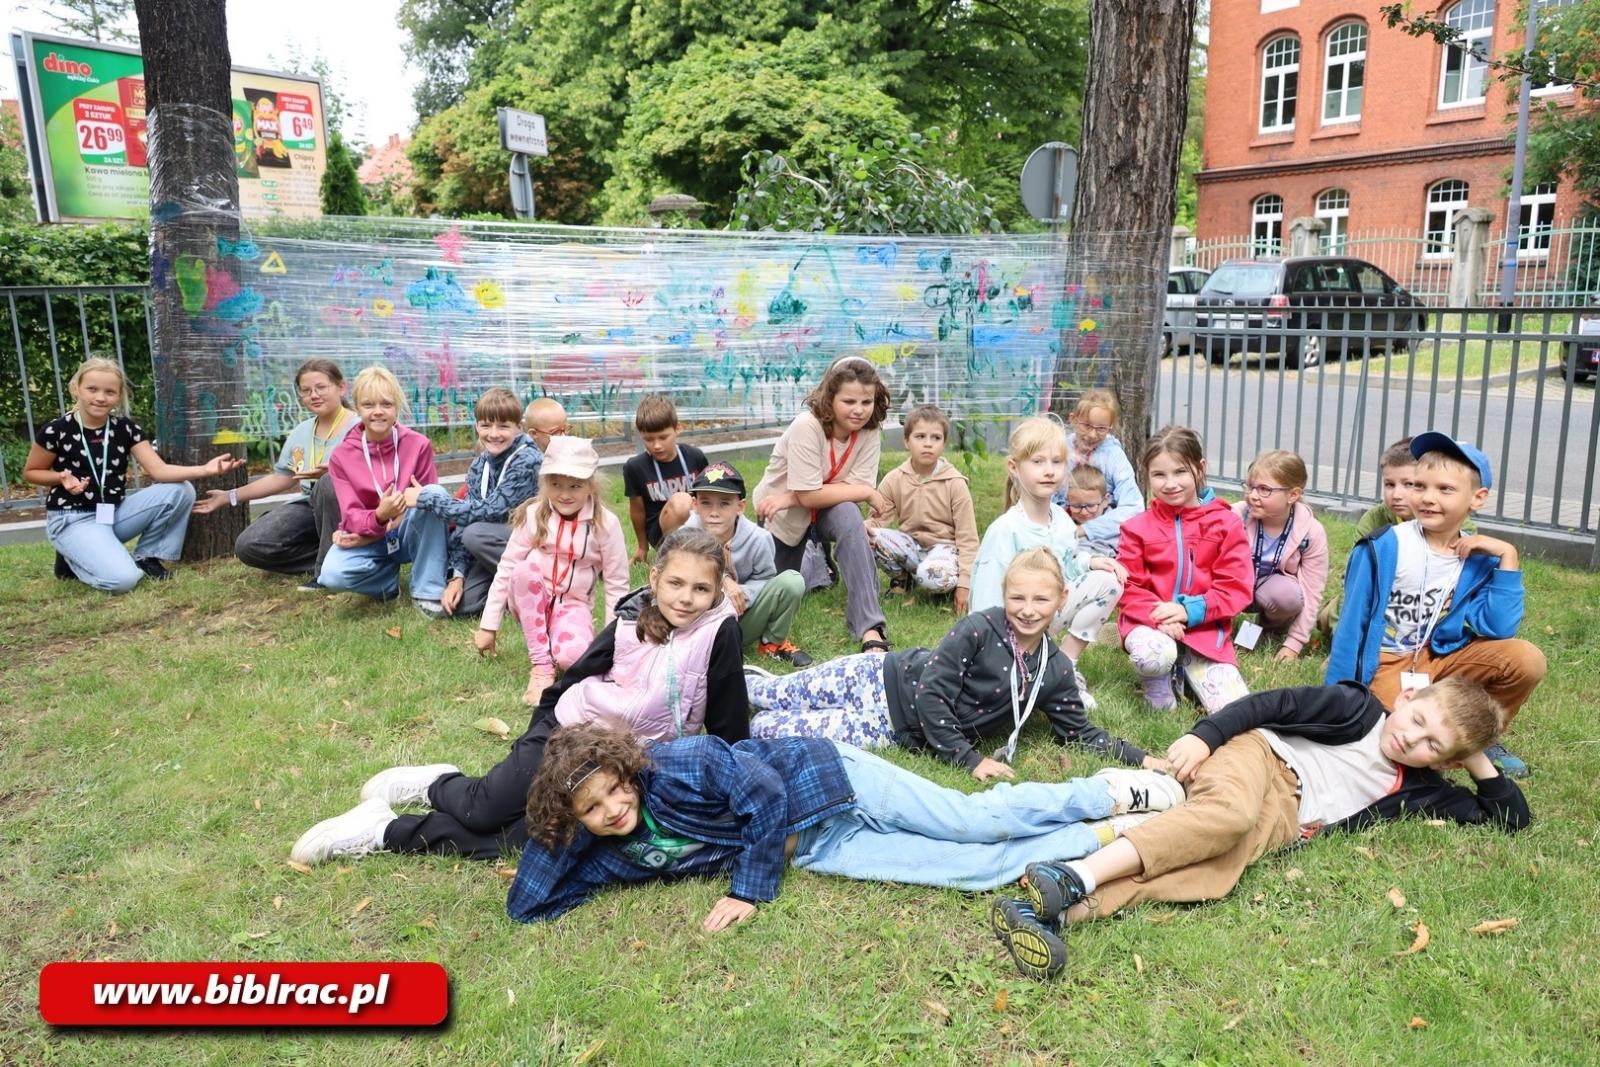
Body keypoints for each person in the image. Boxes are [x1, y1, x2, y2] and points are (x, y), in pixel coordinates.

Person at [988, 677, 1529, 980]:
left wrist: (1477, 756)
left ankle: (1053, 911)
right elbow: (1273, 703)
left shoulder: (1422, 786)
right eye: (1417, 721)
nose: (1413, 741)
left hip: (1289, 817)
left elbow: (1510, 819)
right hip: (1261, 758)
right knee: (1227, 817)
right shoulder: (1358, 709)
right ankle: (1075, 874)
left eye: (1434, 745)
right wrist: (1207, 735)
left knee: (1219, 871)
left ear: (1449, 762)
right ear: (1408, 699)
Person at [288, 529, 751, 865]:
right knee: (484, 807)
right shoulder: (632, 617)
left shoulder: (718, 633)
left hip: (625, 757)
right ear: (654, 579)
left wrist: (737, 784)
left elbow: (728, 715)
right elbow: (575, 677)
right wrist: (539, 739)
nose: (686, 598)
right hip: (571, 730)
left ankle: (383, 830)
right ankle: (436, 784)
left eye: (701, 589)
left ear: (715, 594)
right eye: (676, 583)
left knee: (532, 837)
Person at [503, 721, 1185, 926]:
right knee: (971, 872)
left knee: (971, 822)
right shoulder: (617, 850)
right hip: (821, 845)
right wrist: (557, 830)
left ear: (628, 771)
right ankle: (1109, 840)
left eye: (612, 791)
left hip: (831, 778)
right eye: (590, 810)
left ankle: (1103, 791)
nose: (611, 810)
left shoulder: (681, 763)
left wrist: (748, 889)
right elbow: (529, 901)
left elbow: (765, 793)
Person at [749, 548, 1162, 776]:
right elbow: (932, 694)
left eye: (1041, 599)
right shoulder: (979, 628)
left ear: (1062, 601)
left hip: (891, 727)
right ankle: (702, 682)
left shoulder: (1054, 670)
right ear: (1004, 595)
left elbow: (1080, 732)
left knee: (765, 729)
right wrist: (970, 759)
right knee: (770, 693)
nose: (1029, 610)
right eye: (1018, 598)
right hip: (878, 677)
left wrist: (1145, 759)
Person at [1325, 432, 1545, 778]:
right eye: (1420, 486)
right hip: (1387, 661)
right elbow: (1352, 627)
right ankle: (1435, 741)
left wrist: (1508, 557)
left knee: (1526, 660)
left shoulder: (1478, 556)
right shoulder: (1384, 546)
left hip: (1439, 657)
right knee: (1383, 739)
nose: (1427, 498)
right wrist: (1335, 703)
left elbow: (1498, 627)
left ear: (1478, 498)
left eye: (1444, 489)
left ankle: (1474, 739)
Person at [25, 356, 243, 592]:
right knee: (124, 581)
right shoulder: (55, 430)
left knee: (181, 490)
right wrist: (60, 477)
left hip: (113, 514)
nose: (100, 397)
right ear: (76, 388)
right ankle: (72, 560)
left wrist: (205, 469)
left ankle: (147, 556)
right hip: (74, 518)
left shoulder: (126, 429)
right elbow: (31, 472)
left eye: (109, 392)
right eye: (92, 389)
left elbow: (159, 470)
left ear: (119, 396)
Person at [970, 416, 1125, 709]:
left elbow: (1066, 564)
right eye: (1038, 462)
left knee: (1109, 581)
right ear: (1014, 467)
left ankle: (1063, 667)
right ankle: (1025, 669)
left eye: (1056, 462)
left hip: (1046, 614)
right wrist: (989, 656)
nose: (1049, 471)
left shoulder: (1063, 519)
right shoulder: (1007, 529)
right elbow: (986, 600)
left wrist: (1092, 562)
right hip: (1010, 628)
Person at [475, 435, 629, 706]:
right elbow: (506, 568)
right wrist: (489, 625)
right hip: (530, 599)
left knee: (573, 658)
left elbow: (617, 583)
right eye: (556, 484)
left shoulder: (606, 524)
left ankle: (562, 639)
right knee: (523, 570)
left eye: (574, 485)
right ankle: (541, 665)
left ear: (590, 485)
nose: (565, 494)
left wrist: (610, 642)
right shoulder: (535, 515)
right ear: (545, 483)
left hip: (572, 604)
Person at [752, 356, 892, 653]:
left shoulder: (870, 431)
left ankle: (870, 627)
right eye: (849, 400)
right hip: (783, 516)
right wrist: (865, 492)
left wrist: (802, 495)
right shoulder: (807, 425)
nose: (859, 410)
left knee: (849, 516)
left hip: (815, 504)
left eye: (866, 402)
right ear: (830, 398)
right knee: (776, 593)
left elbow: (844, 492)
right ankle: (819, 560)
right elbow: (816, 496)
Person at [1118, 425, 1253, 713]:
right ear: (1147, 475)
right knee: (1153, 656)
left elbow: (1236, 587)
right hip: (1150, 625)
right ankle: (1157, 681)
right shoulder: (1136, 528)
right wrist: (1160, 616)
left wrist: (1188, 610)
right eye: (1159, 474)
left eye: (1180, 471)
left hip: (1204, 631)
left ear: (1200, 467)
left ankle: (1187, 670)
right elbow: (1129, 587)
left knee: (1235, 710)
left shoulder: (1226, 523)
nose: (1170, 483)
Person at [195, 358, 356, 590]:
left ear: (341, 387)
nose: (314, 395)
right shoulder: (301, 431)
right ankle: (339, 557)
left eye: (321, 387)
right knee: (249, 546)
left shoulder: (361, 426)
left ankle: (325, 572)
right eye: (306, 390)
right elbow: (281, 478)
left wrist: (339, 471)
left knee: (329, 482)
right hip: (311, 504)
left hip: (351, 506)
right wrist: (228, 496)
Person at [317, 365, 450, 617]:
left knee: (435, 494)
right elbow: (351, 515)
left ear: (396, 406)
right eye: (368, 405)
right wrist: (379, 516)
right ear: (356, 408)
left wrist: (396, 516)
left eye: (386, 404)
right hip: (371, 534)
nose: (378, 412)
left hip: (408, 532)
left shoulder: (418, 444)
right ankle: (386, 584)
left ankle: (427, 590)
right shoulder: (342, 456)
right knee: (332, 574)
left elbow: (427, 500)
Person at [405, 387, 543, 617]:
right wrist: (457, 577)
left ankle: (543, 581)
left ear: (519, 428)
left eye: (503, 426)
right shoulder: (480, 464)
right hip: (496, 544)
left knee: (475, 534)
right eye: (486, 425)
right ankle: (515, 590)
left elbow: (488, 511)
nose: (494, 433)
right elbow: (465, 519)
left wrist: (430, 499)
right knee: (462, 606)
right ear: (477, 425)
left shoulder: (527, 459)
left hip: (533, 539)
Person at [681, 461, 811, 667]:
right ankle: (696, 650)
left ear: (740, 507)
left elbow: (766, 579)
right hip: (697, 623)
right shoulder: (686, 534)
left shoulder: (758, 539)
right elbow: (680, 574)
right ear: (695, 505)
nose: (714, 512)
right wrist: (723, 582)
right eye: (706, 503)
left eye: (724, 503)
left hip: (741, 619)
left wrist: (742, 594)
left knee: (792, 581)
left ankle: (772, 643)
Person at [866, 404, 980, 613]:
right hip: (911, 546)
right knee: (867, 536)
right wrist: (857, 532)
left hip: (943, 549)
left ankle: (941, 580)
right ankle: (902, 580)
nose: (928, 444)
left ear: (944, 443)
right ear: (906, 441)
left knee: (930, 576)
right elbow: (877, 520)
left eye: (935, 438)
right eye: (920, 437)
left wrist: (965, 583)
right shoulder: (895, 479)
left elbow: (968, 537)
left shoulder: (955, 483)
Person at [1231, 449, 1329, 662]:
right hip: (1234, 586)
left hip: (1270, 589)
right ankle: (1219, 629)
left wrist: (1294, 644)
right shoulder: (1234, 515)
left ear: (1293, 495)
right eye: (1250, 487)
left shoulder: (1311, 532)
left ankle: (1271, 627)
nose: (1253, 496)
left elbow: (1312, 592)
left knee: (1288, 597)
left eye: (1264, 489)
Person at [1049, 389, 1144, 548]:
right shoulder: (1060, 449)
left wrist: (1085, 530)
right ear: (1073, 419)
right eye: (1087, 425)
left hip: (1102, 540)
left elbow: (1133, 507)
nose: (1093, 434)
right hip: (1059, 532)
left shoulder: (1114, 457)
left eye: (1101, 429)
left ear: (1110, 427)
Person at [623, 393, 707, 563]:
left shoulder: (695, 457)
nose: (657, 445)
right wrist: (642, 546)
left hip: (699, 521)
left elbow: (710, 494)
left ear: (677, 428)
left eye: (663, 437)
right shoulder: (635, 467)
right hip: (661, 532)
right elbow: (637, 510)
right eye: (648, 439)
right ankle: (672, 555)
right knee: (681, 502)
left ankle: (705, 546)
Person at [1062, 464, 1118, 557]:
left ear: (1105, 501)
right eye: (1076, 506)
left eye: (1091, 506)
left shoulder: (1114, 528)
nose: (1084, 512)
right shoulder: (1061, 523)